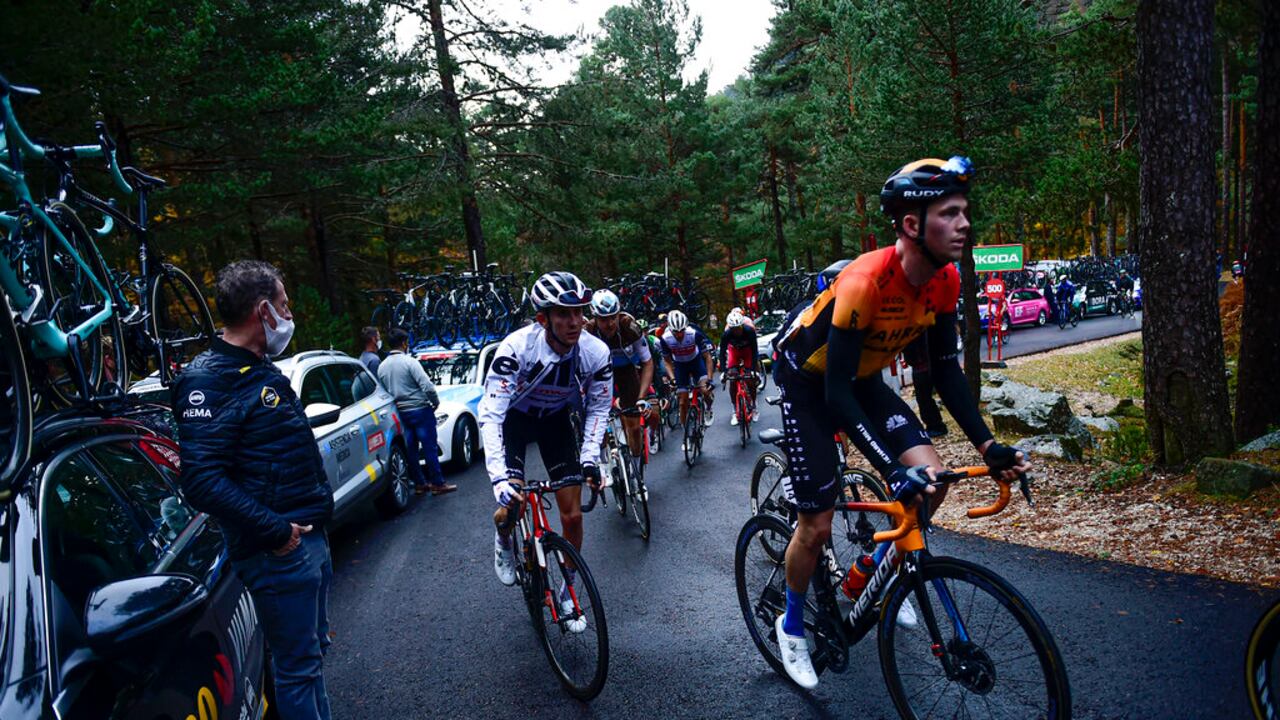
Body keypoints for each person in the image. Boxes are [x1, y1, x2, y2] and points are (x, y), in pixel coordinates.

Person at [769, 157, 1030, 689]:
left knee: (930, 482)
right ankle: (792, 623)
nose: (964, 225)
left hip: (859, 377)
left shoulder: (946, 280)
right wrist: (890, 466)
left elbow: (946, 373)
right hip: (809, 381)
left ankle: (871, 572)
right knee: (816, 524)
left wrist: (987, 446)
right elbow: (833, 390)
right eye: (950, 213)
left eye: (965, 212)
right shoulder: (865, 281)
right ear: (912, 225)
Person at [173, 260, 334, 719]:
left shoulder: (258, 368)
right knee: (297, 669)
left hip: (307, 541)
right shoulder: (208, 380)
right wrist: (278, 532)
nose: (288, 314)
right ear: (263, 311)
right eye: (283, 305)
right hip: (278, 551)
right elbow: (201, 480)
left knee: (311, 660)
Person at [480, 271, 611, 632]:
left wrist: (590, 458)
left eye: (580, 313)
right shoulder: (516, 348)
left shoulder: (594, 351)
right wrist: (499, 478)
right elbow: (491, 414)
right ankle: (505, 535)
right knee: (512, 502)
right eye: (563, 315)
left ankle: (569, 589)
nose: (575, 322)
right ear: (543, 319)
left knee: (572, 515)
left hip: (555, 420)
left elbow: (599, 408)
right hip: (515, 420)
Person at [378, 328, 457, 496]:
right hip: (420, 409)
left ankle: (420, 483)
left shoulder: (382, 367)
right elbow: (427, 386)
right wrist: (435, 402)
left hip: (400, 411)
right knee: (429, 447)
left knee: (411, 449)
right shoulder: (410, 362)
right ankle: (437, 482)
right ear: (404, 343)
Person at [586, 289, 654, 457]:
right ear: (595, 317)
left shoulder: (629, 326)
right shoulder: (587, 332)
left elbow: (648, 362)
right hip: (600, 374)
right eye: (603, 319)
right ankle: (603, 464)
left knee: (634, 427)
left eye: (613, 317)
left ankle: (635, 469)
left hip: (626, 372)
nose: (610, 323)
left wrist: (641, 397)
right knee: (596, 425)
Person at [657, 309, 716, 429]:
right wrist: (672, 378)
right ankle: (686, 433)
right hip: (680, 366)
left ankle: (708, 408)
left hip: (696, 363)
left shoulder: (694, 334)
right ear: (670, 329)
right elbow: (667, 361)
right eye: (675, 332)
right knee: (683, 402)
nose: (679, 334)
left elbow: (707, 357)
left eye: (681, 331)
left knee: (705, 391)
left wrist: (710, 378)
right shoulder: (665, 338)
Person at [718, 311, 760, 426]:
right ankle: (734, 409)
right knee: (732, 380)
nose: (737, 331)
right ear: (730, 327)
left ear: (742, 325)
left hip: (748, 352)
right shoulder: (726, 334)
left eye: (739, 328)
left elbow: (755, 351)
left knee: (750, 380)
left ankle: (754, 405)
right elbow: (721, 353)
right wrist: (723, 371)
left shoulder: (749, 331)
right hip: (734, 352)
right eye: (734, 328)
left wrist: (752, 369)